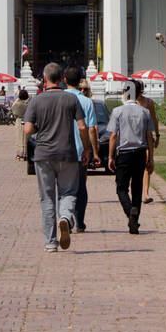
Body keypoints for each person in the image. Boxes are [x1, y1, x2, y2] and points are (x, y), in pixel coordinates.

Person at [23, 62, 88, 251]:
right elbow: (82, 127)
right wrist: (86, 149)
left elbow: (27, 130)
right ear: (62, 79)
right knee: (68, 193)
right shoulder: (71, 100)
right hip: (67, 154)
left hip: (43, 155)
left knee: (47, 198)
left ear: (44, 79)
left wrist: (39, 127)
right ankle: (66, 217)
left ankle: (50, 242)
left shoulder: (36, 100)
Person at [107, 83, 155, 235]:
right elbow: (149, 137)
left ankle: (130, 212)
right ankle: (134, 221)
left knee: (121, 188)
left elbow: (113, 135)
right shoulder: (144, 112)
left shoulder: (117, 111)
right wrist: (151, 158)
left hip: (125, 153)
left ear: (125, 93)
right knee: (137, 188)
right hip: (140, 152)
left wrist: (110, 156)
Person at [63, 65, 99, 233]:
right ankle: (80, 222)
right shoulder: (86, 101)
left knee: (63, 188)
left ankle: (65, 217)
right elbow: (91, 129)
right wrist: (92, 151)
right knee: (80, 188)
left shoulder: (58, 99)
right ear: (80, 82)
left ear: (64, 80)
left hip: (61, 151)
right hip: (79, 151)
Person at [135, 79, 160, 203]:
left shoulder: (148, 102)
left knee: (147, 162)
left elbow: (154, 119)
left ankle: (145, 193)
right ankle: (137, 191)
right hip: (134, 137)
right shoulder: (131, 102)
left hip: (147, 137)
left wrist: (158, 135)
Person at [11, 86, 29, 160]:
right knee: (25, 138)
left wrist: (18, 98)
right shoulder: (27, 105)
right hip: (26, 121)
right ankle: (25, 153)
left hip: (18, 121)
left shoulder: (17, 104)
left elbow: (12, 108)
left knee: (19, 138)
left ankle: (19, 154)